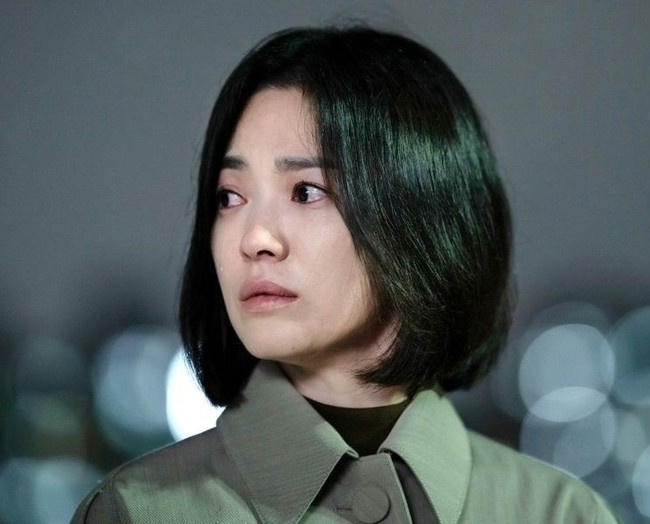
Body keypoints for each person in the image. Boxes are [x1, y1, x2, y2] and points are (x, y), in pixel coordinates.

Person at [72, 26, 617, 523]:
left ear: (423, 213)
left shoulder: (560, 514)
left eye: (306, 191)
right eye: (230, 196)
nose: (255, 238)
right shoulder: (140, 512)